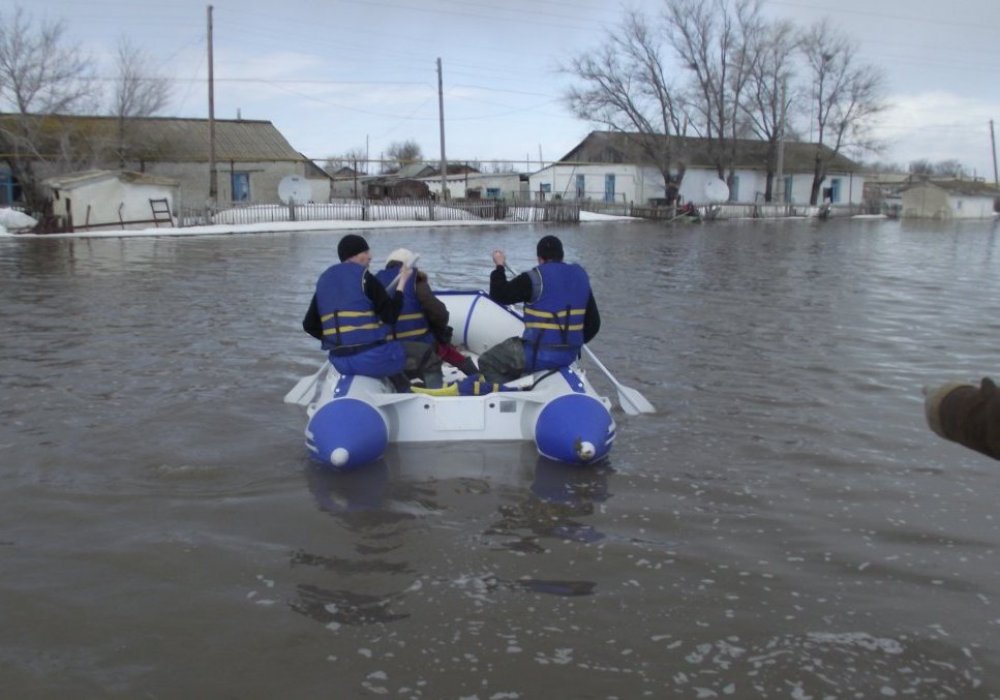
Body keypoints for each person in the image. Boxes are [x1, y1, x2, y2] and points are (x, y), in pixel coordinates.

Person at [477, 234, 600, 384]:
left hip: (537, 355)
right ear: (562, 256)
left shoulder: (533, 278)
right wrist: (569, 343)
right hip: (569, 355)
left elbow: (499, 294)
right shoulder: (581, 277)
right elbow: (594, 324)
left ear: (539, 258)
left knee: (487, 361)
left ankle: (510, 389)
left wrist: (499, 266)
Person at [302, 233, 412, 390]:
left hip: (339, 362)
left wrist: (336, 341)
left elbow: (309, 325)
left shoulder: (324, 281)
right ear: (353, 255)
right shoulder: (365, 277)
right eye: (366, 252)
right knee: (411, 351)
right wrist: (402, 283)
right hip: (370, 360)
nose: (370, 257)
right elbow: (391, 315)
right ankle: (406, 392)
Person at [373, 248, 449, 388]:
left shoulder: (374, 284)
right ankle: (436, 393)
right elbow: (440, 313)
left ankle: (399, 388)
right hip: (419, 350)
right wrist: (438, 332)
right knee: (432, 357)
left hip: (388, 352)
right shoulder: (417, 283)